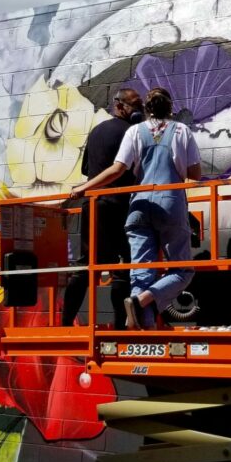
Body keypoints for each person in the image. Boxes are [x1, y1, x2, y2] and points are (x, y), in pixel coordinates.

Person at [71, 87, 202, 329]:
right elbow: (195, 173)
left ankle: (143, 326)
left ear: (147, 110)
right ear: (170, 107)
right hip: (170, 204)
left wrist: (84, 188)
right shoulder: (182, 131)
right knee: (183, 270)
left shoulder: (134, 131)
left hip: (138, 206)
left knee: (141, 274)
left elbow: (117, 169)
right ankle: (142, 301)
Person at [62, 88, 144, 328]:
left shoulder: (97, 131)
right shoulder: (133, 132)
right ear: (119, 105)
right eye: (134, 106)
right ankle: (120, 326)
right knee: (123, 267)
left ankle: (66, 322)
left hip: (94, 205)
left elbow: (89, 171)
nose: (137, 112)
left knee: (86, 264)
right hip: (122, 205)